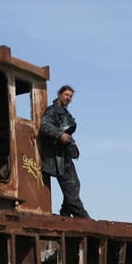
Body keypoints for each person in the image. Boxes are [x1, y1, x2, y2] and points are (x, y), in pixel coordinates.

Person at [39, 85, 91, 218]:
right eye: (67, 95)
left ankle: (65, 214)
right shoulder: (52, 111)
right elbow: (44, 126)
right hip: (57, 156)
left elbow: (66, 131)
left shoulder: (65, 113)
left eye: (71, 96)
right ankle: (84, 219)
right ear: (60, 94)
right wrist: (59, 135)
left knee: (75, 185)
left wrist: (72, 145)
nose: (69, 98)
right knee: (71, 188)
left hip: (64, 155)